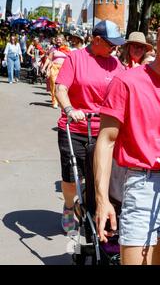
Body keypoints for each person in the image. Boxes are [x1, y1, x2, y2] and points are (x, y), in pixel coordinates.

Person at [94, 11, 160, 265]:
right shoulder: (127, 81)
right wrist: (101, 199)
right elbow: (106, 141)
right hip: (141, 186)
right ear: (159, 32)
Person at [55, 20, 125, 233]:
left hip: (105, 130)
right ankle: (69, 205)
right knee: (71, 178)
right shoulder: (75, 58)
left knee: (102, 177)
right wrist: (69, 110)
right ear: (96, 40)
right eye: (111, 44)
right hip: (76, 128)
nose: (115, 48)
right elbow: (61, 88)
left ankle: (96, 210)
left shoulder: (115, 63)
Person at [44, 35, 71, 108]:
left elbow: (71, 59)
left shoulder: (67, 49)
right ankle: (54, 102)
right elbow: (49, 59)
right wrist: (45, 68)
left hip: (64, 69)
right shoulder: (53, 49)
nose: (58, 41)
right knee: (53, 85)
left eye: (60, 40)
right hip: (54, 68)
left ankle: (61, 101)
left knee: (63, 86)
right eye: (57, 40)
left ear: (63, 40)